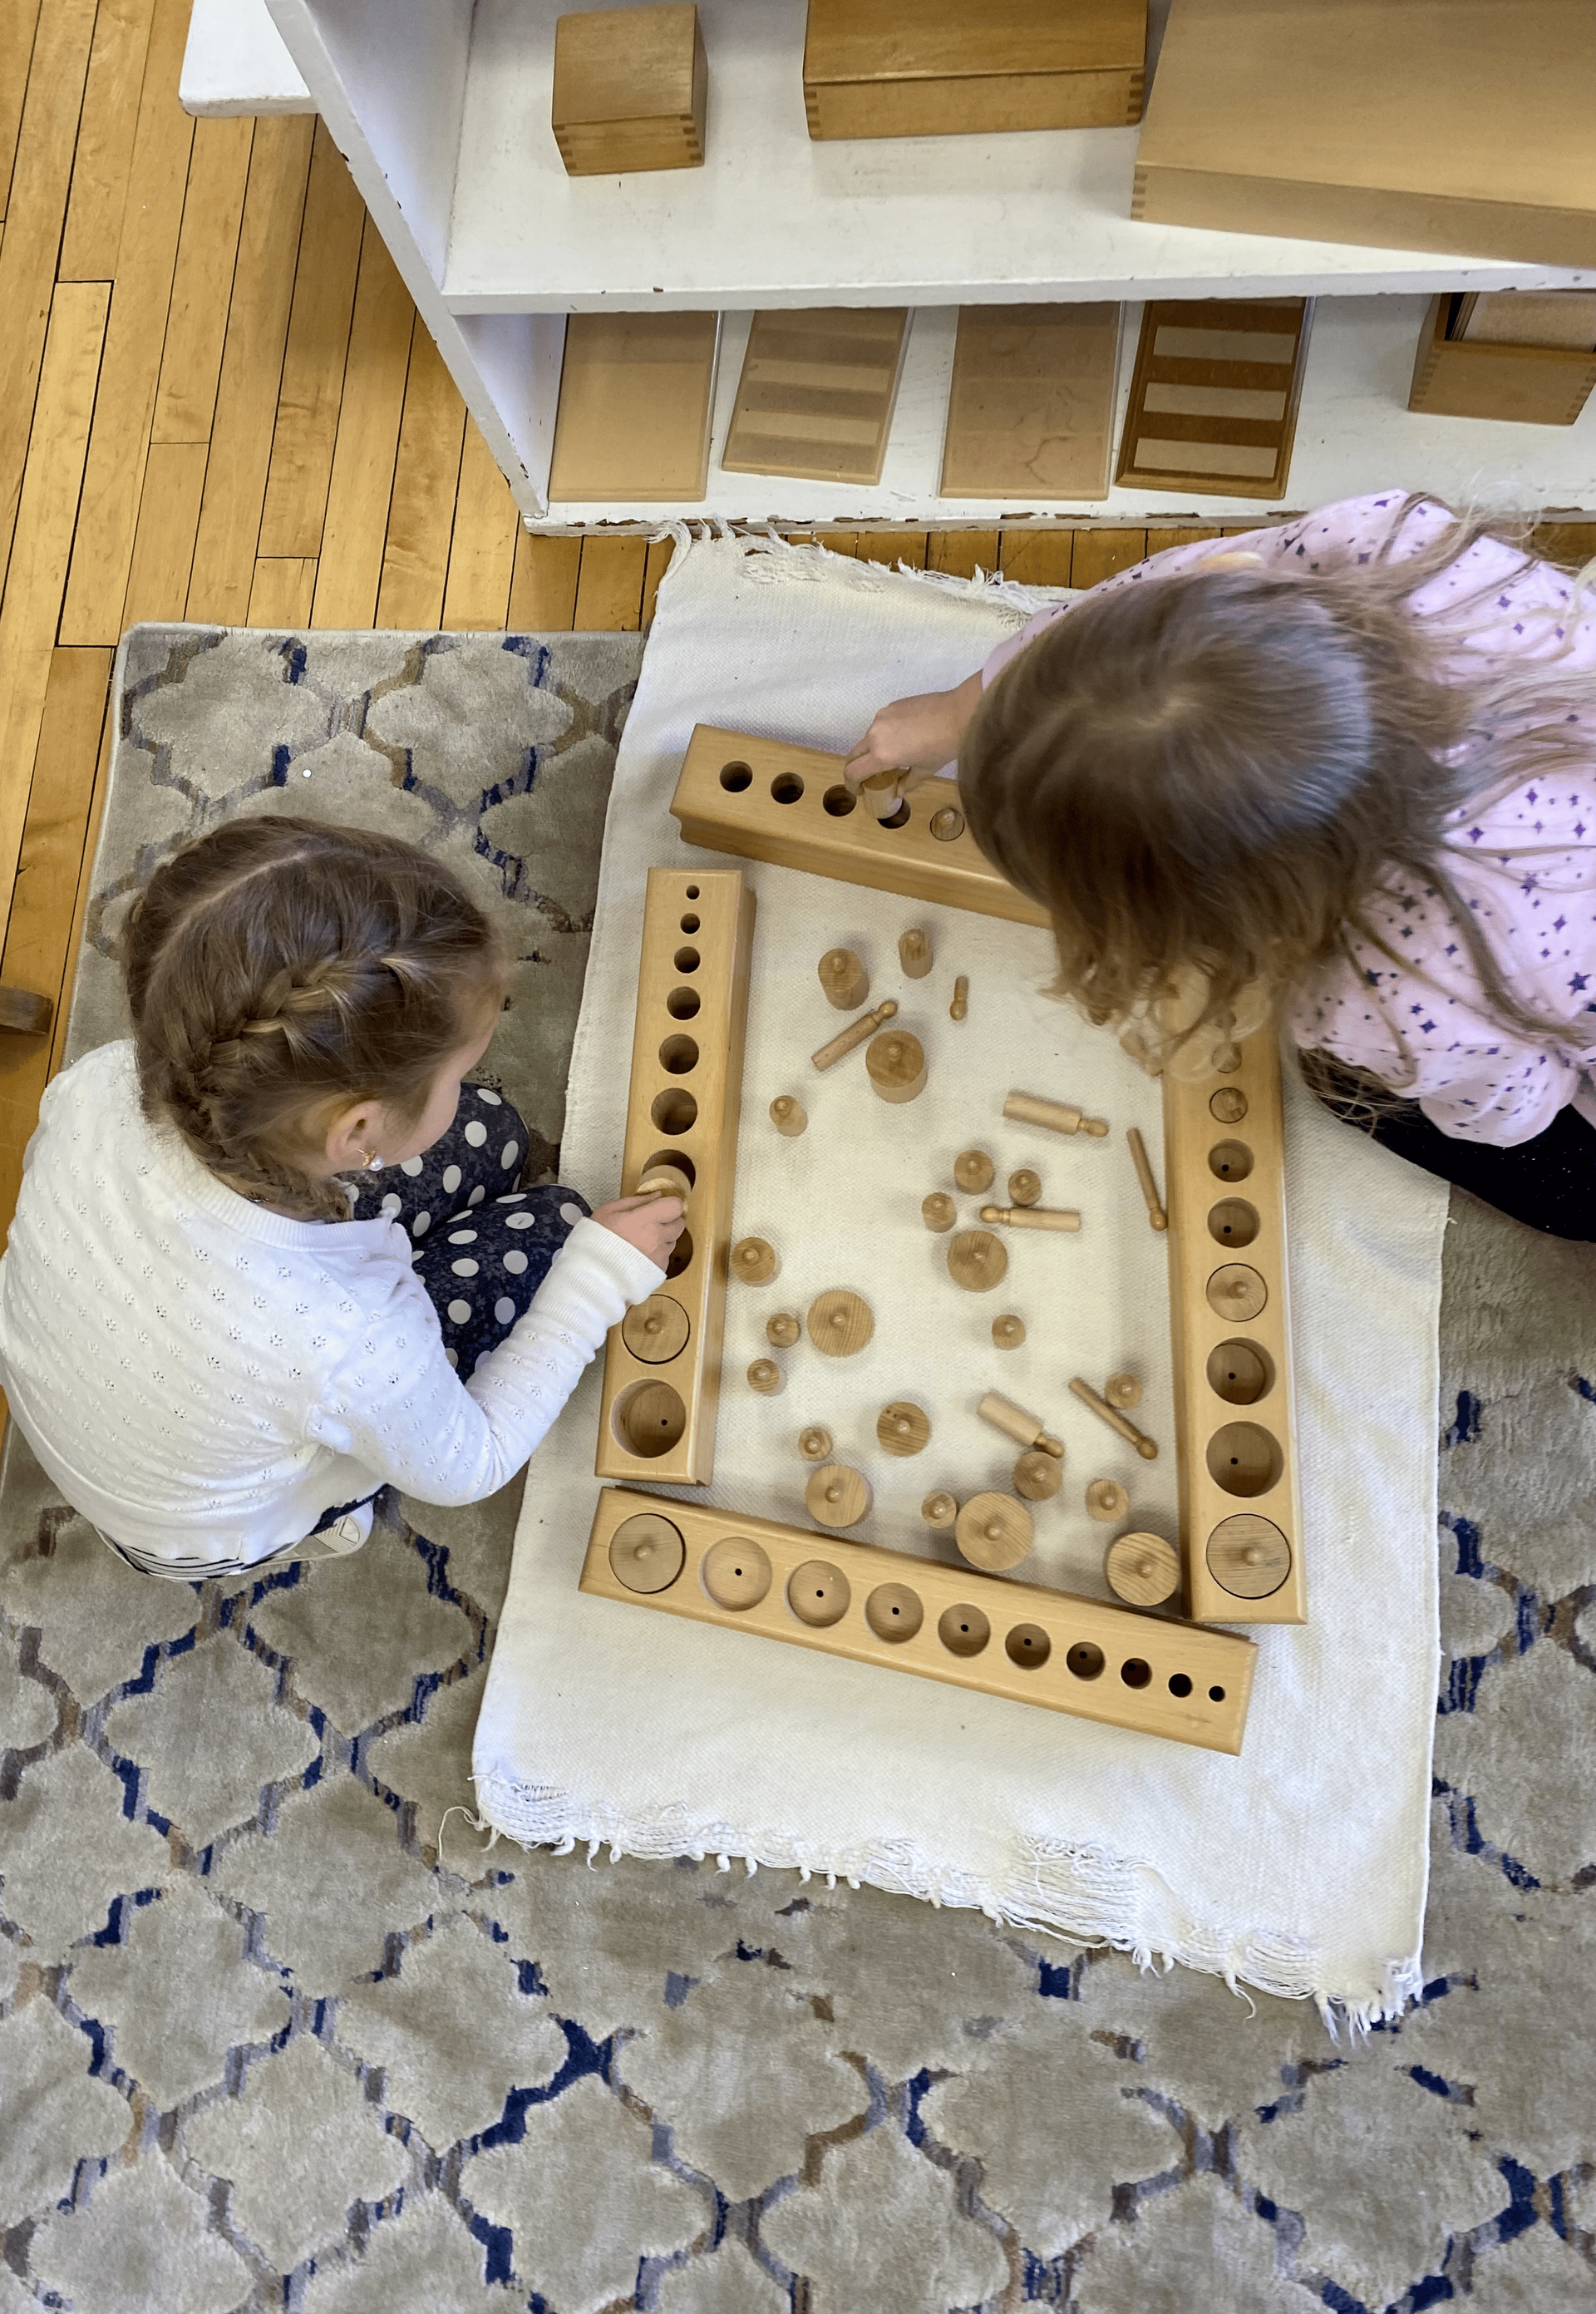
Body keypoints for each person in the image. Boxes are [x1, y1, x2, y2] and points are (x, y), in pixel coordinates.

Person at [844, 491, 1596, 1240]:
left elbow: (1506, 1110)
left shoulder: (1396, 998)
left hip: (1548, 1014)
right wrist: (965, 706)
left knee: (1370, 1100)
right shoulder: (1385, 544)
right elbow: (1154, 601)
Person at [0, 818, 681, 1578]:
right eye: (454, 1074)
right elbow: (469, 1463)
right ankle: (332, 1513)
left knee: (490, 1132)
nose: (462, 1086)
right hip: (197, 1529)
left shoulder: (99, 1081)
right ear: (355, 1129)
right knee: (558, 1231)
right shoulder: (349, 1336)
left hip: (135, 1383)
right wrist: (595, 1283)